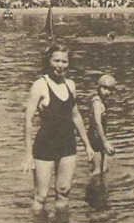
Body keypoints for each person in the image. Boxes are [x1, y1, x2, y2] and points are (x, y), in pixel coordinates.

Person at [22, 43, 95, 214]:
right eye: (56, 61)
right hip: (45, 145)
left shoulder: (70, 85)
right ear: (49, 61)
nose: (60, 66)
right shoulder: (40, 85)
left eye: (64, 61)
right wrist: (27, 155)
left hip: (67, 144)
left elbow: (75, 115)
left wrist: (87, 144)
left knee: (64, 192)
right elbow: (27, 121)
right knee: (41, 196)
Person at [88, 74, 118, 176]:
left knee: (104, 169)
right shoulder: (97, 103)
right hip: (95, 138)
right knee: (97, 171)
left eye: (110, 90)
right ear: (98, 87)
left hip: (100, 136)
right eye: (104, 88)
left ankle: (103, 190)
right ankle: (93, 189)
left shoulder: (102, 102)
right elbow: (97, 122)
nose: (107, 92)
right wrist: (105, 142)